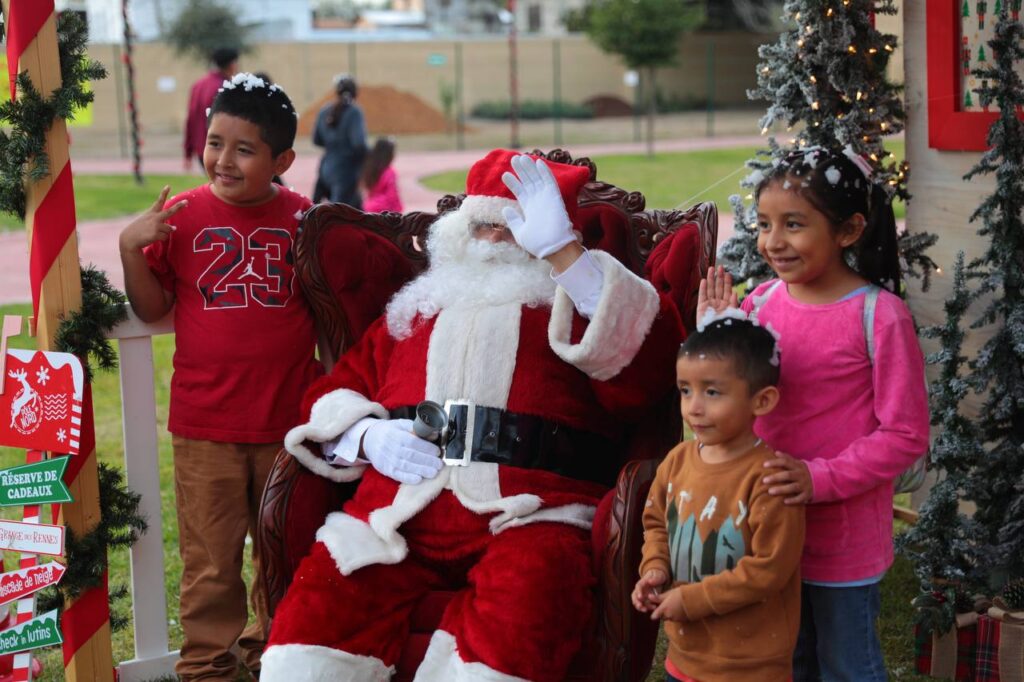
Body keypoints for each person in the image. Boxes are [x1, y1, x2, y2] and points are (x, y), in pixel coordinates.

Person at [259, 149, 684, 680]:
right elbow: (335, 389)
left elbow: (651, 373)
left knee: (527, 605)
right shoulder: (415, 310)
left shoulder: (579, 302)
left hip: (530, 515)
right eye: (480, 226)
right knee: (319, 617)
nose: (491, 241)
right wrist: (367, 436)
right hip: (397, 513)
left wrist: (567, 258)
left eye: (510, 228)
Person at [119, 73, 322, 681]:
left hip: (288, 425)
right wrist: (133, 249)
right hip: (205, 424)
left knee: (284, 552)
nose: (222, 159)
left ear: (282, 159)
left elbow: (332, 306)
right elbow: (153, 309)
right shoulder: (182, 216)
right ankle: (208, 665)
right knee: (211, 559)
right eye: (214, 142)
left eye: (244, 148)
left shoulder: (306, 220)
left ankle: (278, 656)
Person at [700, 146, 930, 681]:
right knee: (781, 664)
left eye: (794, 224)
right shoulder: (757, 305)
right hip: (764, 534)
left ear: (849, 230)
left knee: (847, 667)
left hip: (842, 545)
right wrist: (715, 341)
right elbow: (723, 414)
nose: (772, 242)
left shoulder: (880, 317)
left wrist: (817, 477)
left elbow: (904, 435)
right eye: (763, 224)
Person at [633, 314, 805, 682]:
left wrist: (691, 601)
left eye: (712, 392)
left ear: (761, 401)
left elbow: (768, 570)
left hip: (749, 666)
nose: (694, 407)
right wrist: (655, 568)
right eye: (685, 390)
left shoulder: (771, 479)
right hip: (684, 658)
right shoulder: (677, 460)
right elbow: (656, 524)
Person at [312, 73, 368, 206]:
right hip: (346, 173)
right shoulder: (354, 112)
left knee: (318, 212)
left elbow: (316, 140)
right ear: (355, 93)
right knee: (345, 216)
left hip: (325, 169)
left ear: (336, 91)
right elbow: (359, 144)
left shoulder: (324, 111)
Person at [183, 47, 239, 171]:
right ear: (232, 64)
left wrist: (188, 151)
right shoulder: (227, 87)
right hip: (222, 149)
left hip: (202, 149)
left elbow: (190, 118)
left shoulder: (198, 85)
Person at [361, 137, 403, 213]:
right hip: (385, 211)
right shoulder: (389, 172)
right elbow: (392, 195)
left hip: (369, 207)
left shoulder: (370, 169)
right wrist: (398, 210)